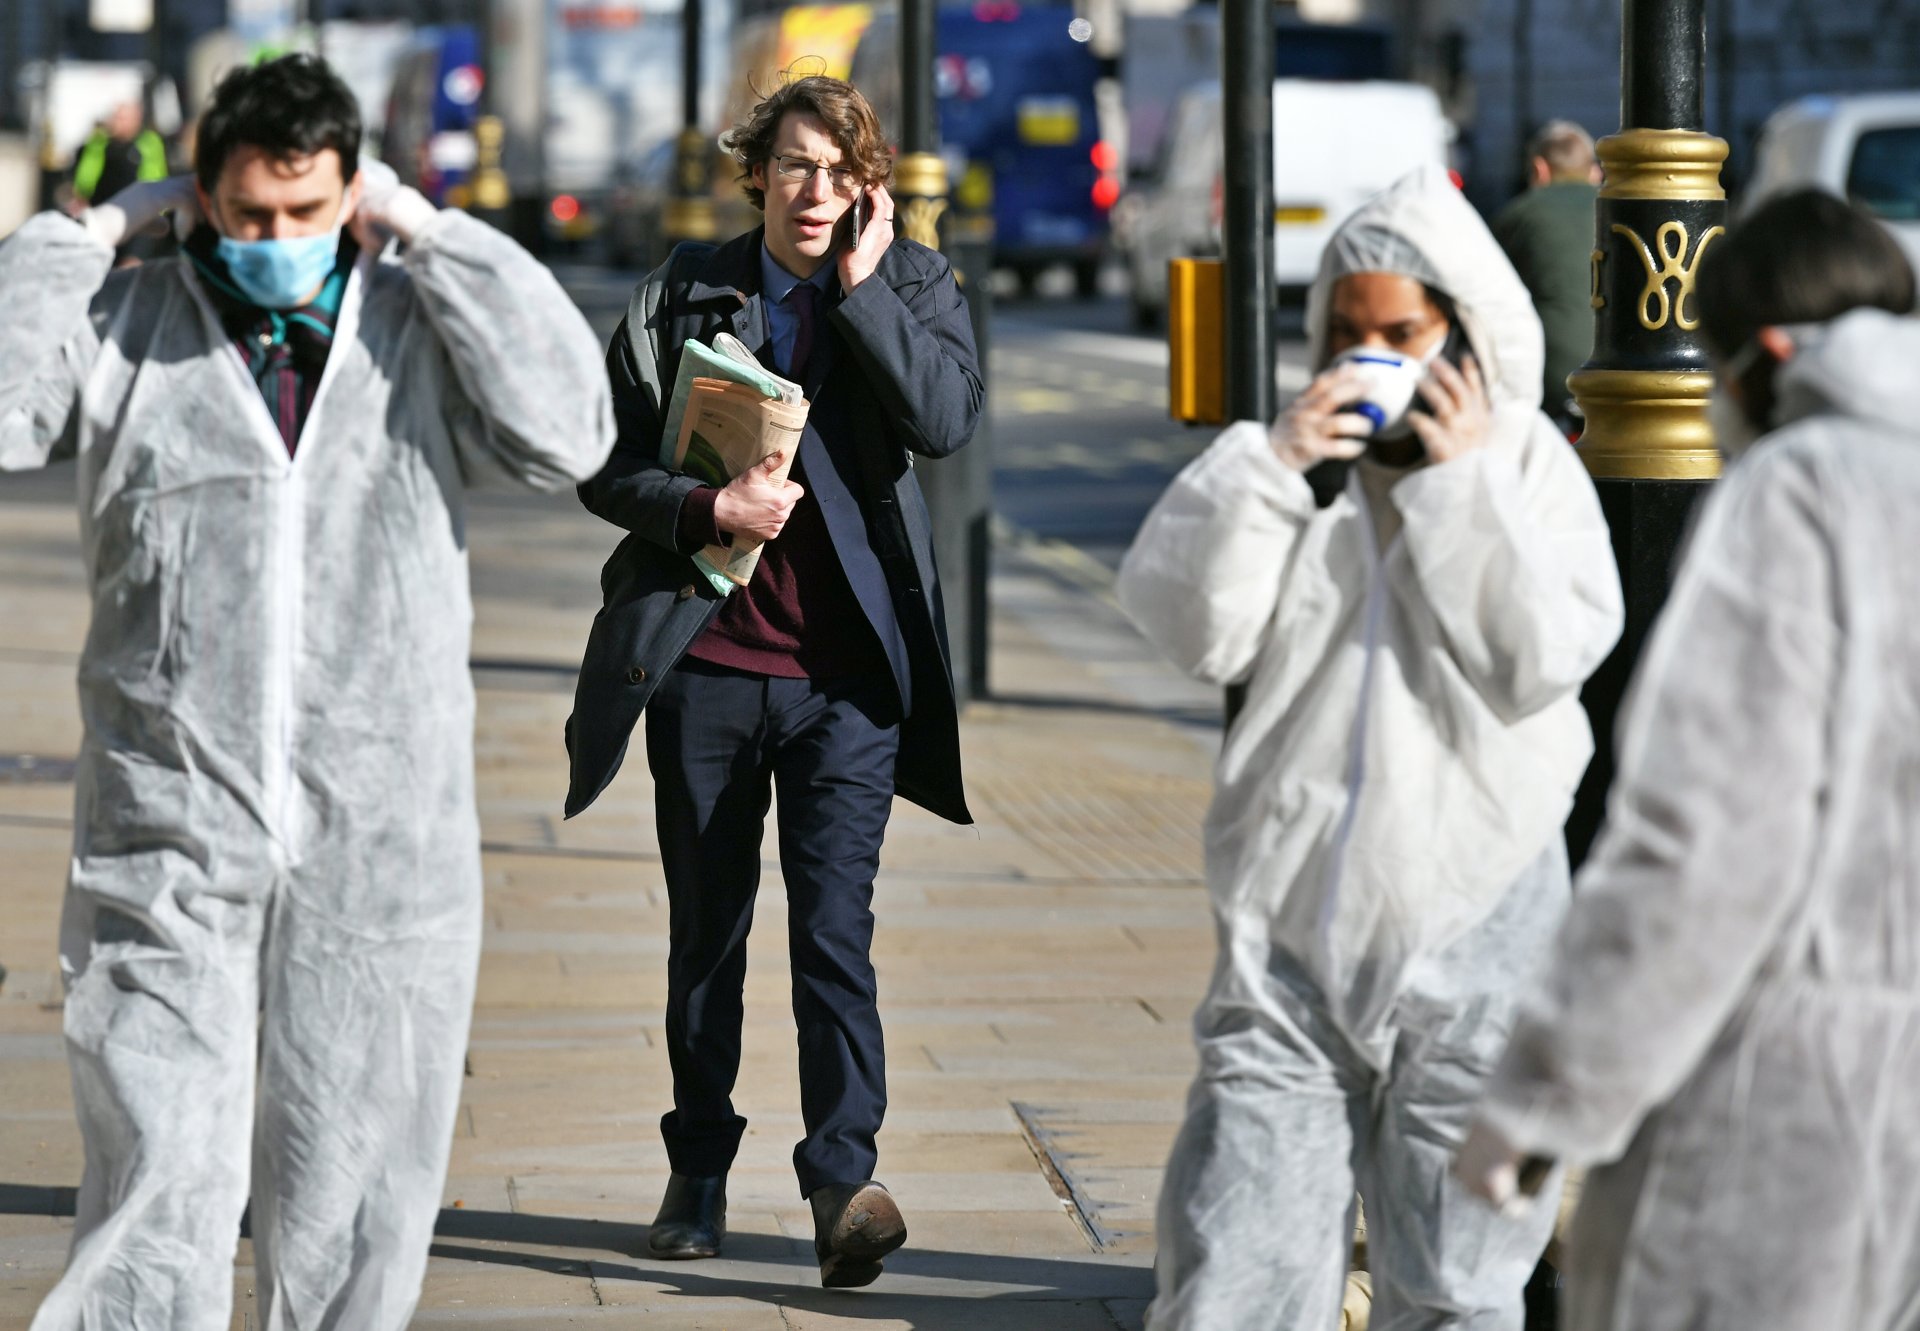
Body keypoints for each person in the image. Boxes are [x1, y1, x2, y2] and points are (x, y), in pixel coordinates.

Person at [0, 55, 614, 1330]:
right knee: (156, 1160)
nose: (275, 241)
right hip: (166, 816)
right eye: (246, 213)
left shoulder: (412, 322)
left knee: (357, 1164)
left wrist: (435, 236)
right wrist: (94, 227)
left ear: (353, 192)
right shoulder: (131, 326)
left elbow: (572, 431)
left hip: (382, 819)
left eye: (307, 212)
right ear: (202, 195)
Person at [1115, 165, 1623, 1330]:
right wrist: (1274, 465)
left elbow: (1540, 656)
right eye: (1347, 331)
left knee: (1457, 1281)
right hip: (1289, 932)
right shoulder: (1299, 473)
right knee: (1235, 1263)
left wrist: (1458, 491)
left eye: (1401, 331)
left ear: (1464, 333)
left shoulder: (1530, 472)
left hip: (1484, 925)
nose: (1370, 353)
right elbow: (1187, 620)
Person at [1457, 191, 1920, 1331]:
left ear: (1763, 353)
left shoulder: (1800, 489)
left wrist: (1546, 1097)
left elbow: (1708, 837)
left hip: (1790, 1105)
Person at [563, 74, 980, 1287]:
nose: (817, 191)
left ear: (870, 187)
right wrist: (706, 504)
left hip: (844, 684)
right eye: (796, 164)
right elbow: (602, 463)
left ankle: (843, 1179)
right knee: (710, 932)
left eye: (841, 171)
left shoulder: (913, 283)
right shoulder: (682, 290)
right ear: (757, 172)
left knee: (834, 931)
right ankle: (697, 1166)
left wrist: (860, 294)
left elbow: (946, 420)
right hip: (704, 664)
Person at [1492, 120, 1602, 435]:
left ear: (1540, 170)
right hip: (1620, 370)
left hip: (1553, 377)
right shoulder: (1618, 210)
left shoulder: (1519, 215)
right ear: (1594, 171)